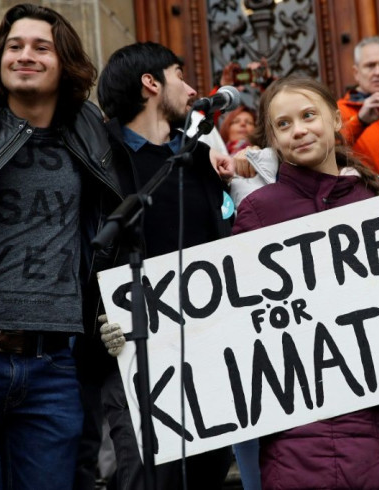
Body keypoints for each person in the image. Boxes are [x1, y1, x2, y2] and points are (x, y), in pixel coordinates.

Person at [0, 4, 124, 490]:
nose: (25, 55)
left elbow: (147, 158)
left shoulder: (88, 133)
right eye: (15, 46)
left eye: (41, 47)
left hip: (54, 366)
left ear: (64, 62)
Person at [232, 75, 379, 490]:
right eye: (284, 124)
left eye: (308, 116)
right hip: (303, 444)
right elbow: (232, 320)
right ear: (272, 139)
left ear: (336, 119)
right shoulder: (257, 213)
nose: (299, 129)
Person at [95, 41, 235, 490]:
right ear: (151, 83)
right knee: (147, 476)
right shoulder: (101, 160)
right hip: (135, 356)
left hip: (209, 353)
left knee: (208, 475)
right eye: (180, 75)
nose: (192, 89)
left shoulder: (198, 159)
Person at [338, 36, 379, 176]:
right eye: (370, 66)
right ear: (356, 73)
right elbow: (326, 149)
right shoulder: (338, 111)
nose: (378, 72)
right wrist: (360, 121)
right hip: (368, 193)